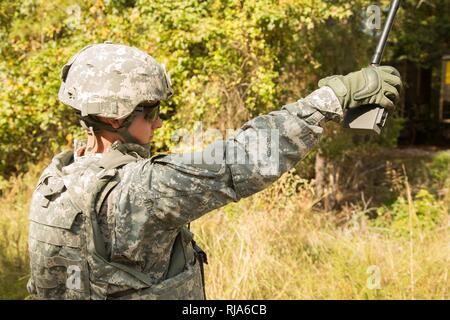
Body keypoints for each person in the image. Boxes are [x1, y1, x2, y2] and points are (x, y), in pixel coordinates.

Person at [27, 42, 402, 300]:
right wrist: (333, 98)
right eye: (151, 112)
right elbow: (241, 159)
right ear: (113, 116)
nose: (157, 125)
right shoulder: (136, 191)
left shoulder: (55, 182)